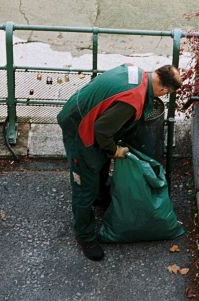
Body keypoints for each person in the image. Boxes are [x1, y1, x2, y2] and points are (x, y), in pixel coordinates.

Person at [56, 63, 182, 261]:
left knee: (99, 162)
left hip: (82, 108)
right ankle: (85, 236)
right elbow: (101, 130)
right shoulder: (133, 99)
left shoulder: (137, 72)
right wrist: (115, 150)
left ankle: (99, 196)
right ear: (164, 90)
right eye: (167, 93)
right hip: (78, 126)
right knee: (84, 183)